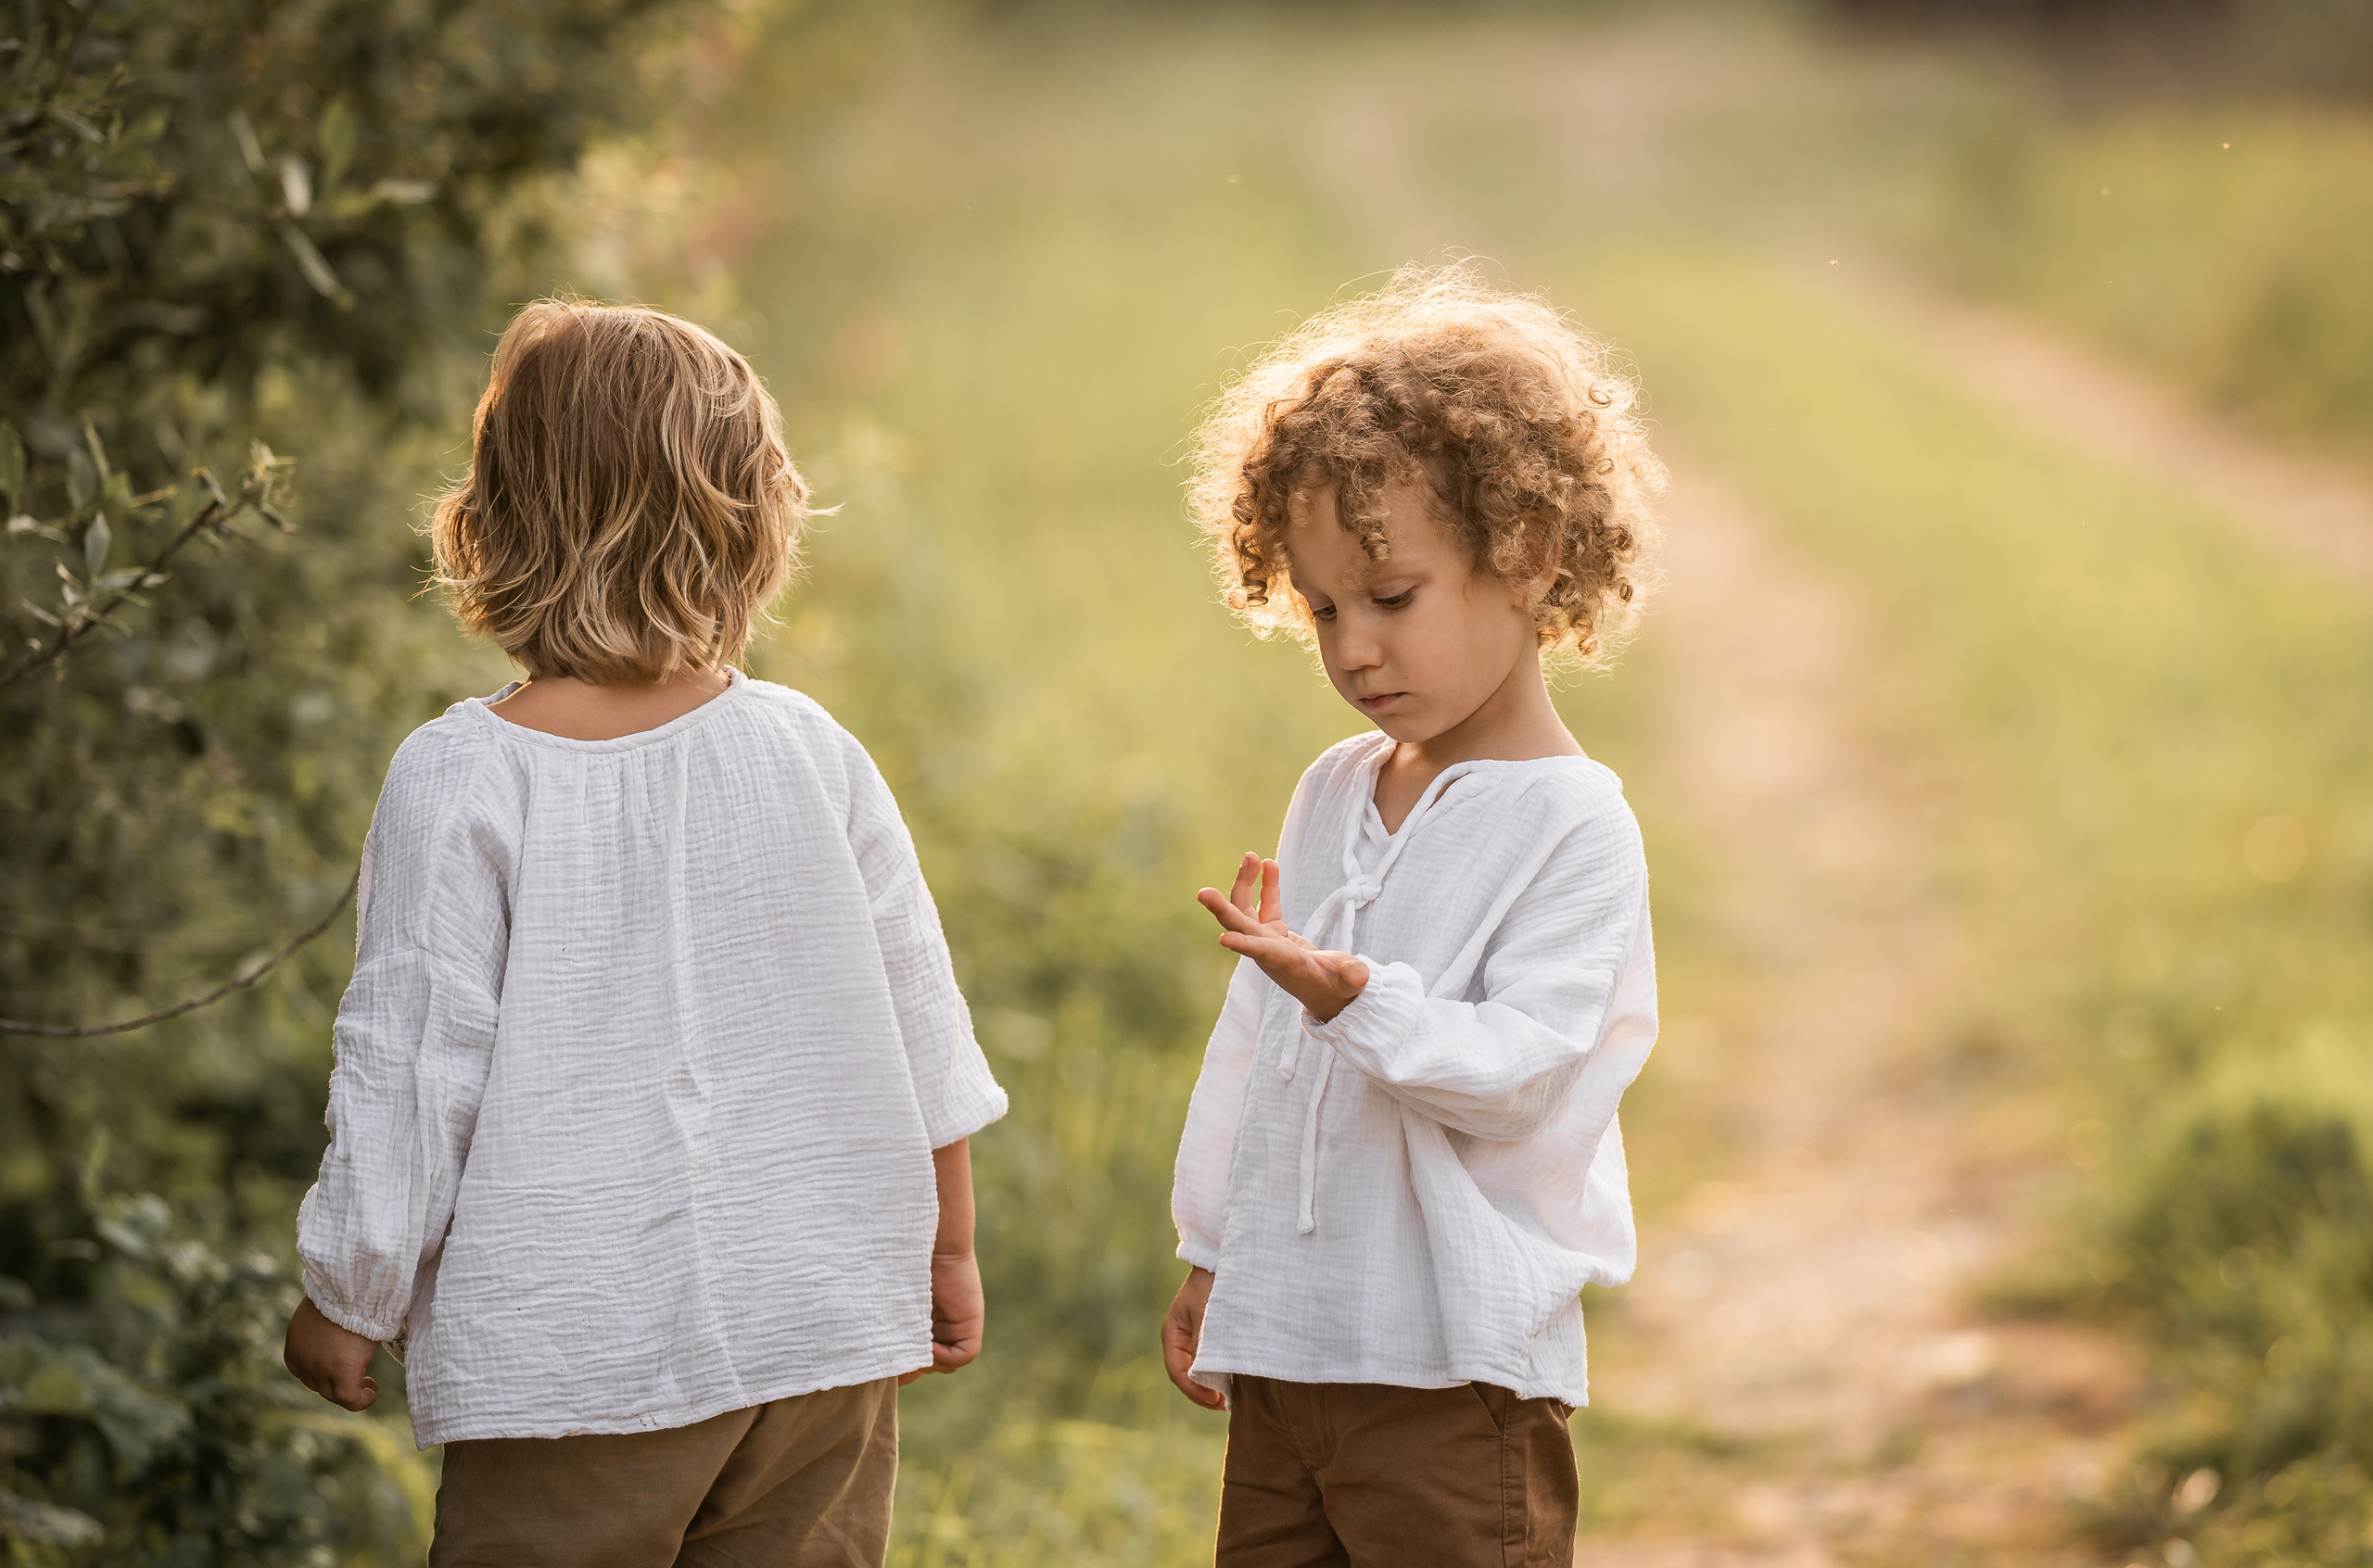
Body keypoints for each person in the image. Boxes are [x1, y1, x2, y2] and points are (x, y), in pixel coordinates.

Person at [281, 299, 1006, 1567]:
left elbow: (409, 1068)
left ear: (493, 520)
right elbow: (919, 1024)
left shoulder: (461, 780)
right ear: (750, 525)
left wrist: (353, 1290)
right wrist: (945, 1244)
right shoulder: (808, 750)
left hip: (575, 1359)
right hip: (818, 1329)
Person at [1161, 265, 1666, 1567]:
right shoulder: (1334, 790)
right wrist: (1215, 1250)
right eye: (1322, 608)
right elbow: (1256, 1050)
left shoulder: (1574, 826)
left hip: (1450, 1375)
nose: (1352, 650)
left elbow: (1523, 1075)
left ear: (1529, 557)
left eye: (1391, 600)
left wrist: (1355, 999)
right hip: (1289, 1355)